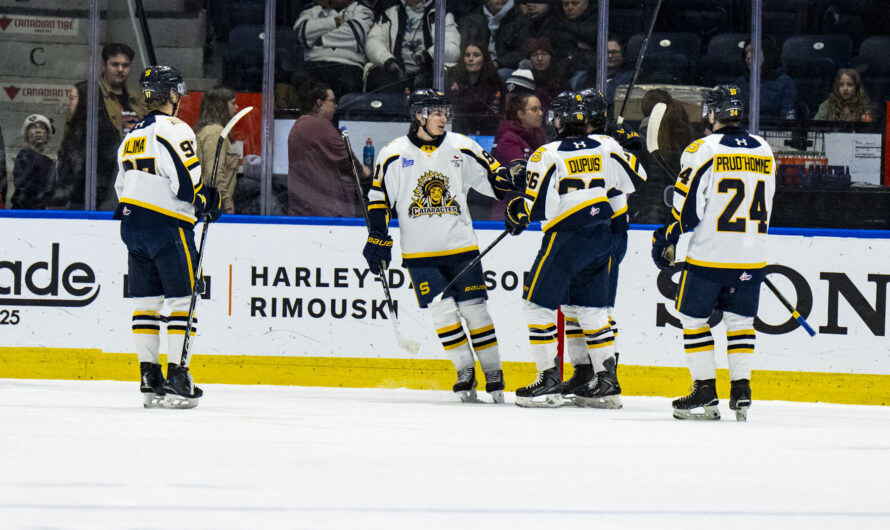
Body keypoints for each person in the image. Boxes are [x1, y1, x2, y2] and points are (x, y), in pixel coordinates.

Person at [361, 88, 521, 404]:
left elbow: (495, 178)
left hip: (461, 247)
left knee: (476, 312)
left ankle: (493, 371)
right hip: (420, 254)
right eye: (435, 112)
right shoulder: (393, 153)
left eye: (444, 111)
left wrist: (512, 184)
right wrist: (377, 237)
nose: (443, 117)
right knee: (443, 312)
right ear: (418, 116)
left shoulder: (461, 146)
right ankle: (464, 371)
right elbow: (379, 199)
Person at [504, 91, 646, 408]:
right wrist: (627, 149)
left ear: (559, 120)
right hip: (603, 235)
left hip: (566, 239)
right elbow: (636, 177)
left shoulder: (547, 153)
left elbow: (537, 208)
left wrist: (517, 209)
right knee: (590, 310)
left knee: (536, 307)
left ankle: (549, 380)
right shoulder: (607, 146)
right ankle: (606, 382)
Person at [651, 85, 776, 422]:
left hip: (710, 256)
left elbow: (687, 211)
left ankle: (705, 390)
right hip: (751, 255)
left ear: (712, 113)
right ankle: (741, 390)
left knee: (693, 320)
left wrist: (666, 236)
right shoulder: (765, 149)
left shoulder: (702, 148)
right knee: (740, 323)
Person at [114, 64, 222, 409]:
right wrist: (208, 200)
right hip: (167, 226)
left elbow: (121, 187)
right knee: (182, 300)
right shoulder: (176, 129)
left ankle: (149, 377)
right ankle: (177, 375)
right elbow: (188, 186)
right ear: (172, 94)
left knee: (146, 303)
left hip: (132, 226)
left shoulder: (131, 136)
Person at [560, 89, 644, 404]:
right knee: (573, 308)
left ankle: (607, 376)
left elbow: (634, 176)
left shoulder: (606, 145)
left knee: (598, 308)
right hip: (585, 234)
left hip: (606, 234)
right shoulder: (599, 144)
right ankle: (584, 372)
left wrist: (626, 147)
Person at [287, 80, 368, 217]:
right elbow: (347, 159)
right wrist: (363, 172)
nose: (335, 106)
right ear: (319, 103)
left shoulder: (298, 127)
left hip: (303, 208)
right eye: (332, 101)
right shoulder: (320, 126)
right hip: (326, 211)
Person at [365, 0, 460, 92]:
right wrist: (388, 61)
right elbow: (373, 40)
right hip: (396, 73)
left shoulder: (441, 12)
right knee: (379, 80)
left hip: (429, 72)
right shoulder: (390, 11)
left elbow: (453, 48)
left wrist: (428, 55)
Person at [98, 43, 146, 210]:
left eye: (125, 65)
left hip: (133, 173)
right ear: (104, 65)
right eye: (115, 64)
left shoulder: (137, 100)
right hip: (102, 174)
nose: (120, 69)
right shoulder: (92, 96)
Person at [293, 0, 375, 97]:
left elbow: (355, 34)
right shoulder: (313, 8)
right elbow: (303, 33)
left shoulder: (362, 8)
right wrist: (339, 20)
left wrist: (320, 40)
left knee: (350, 86)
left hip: (348, 65)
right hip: (314, 64)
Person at [195, 85, 240, 214]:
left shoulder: (211, 131)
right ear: (220, 106)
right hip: (215, 210)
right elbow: (213, 175)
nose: (236, 108)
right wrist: (226, 206)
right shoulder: (215, 133)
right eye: (232, 103)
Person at [447, 40, 505, 136]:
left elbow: (494, 116)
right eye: (467, 55)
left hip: (486, 134)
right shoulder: (454, 81)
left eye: (476, 55)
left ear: (484, 58)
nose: (470, 59)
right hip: (458, 134)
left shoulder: (495, 84)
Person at [734, 37, 797, 121]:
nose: (748, 56)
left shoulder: (785, 83)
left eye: (753, 52)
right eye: (746, 53)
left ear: (767, 54)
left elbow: (787, 120)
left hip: (772, 131)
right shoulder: (740, 83)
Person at [10, 114, 57, 210]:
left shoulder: (49, 163)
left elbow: (50, 191)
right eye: (33, 127)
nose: (38, 131)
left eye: (42, 128)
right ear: (27, 134)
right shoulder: (23, 157)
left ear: (47, 135)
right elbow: (20, 183)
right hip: (22, 213)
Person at [526, 37, 570, 112]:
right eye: (534, 55)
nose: (539, 58)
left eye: (544, 54)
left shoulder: (559, 79)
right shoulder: (524, 79)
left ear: (551, 57)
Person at [604, 34, 633, 109]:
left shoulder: (628, 77)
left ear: (622, 54)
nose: (610, 56)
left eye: (614, 52)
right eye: (606, 52)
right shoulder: (590, 75)